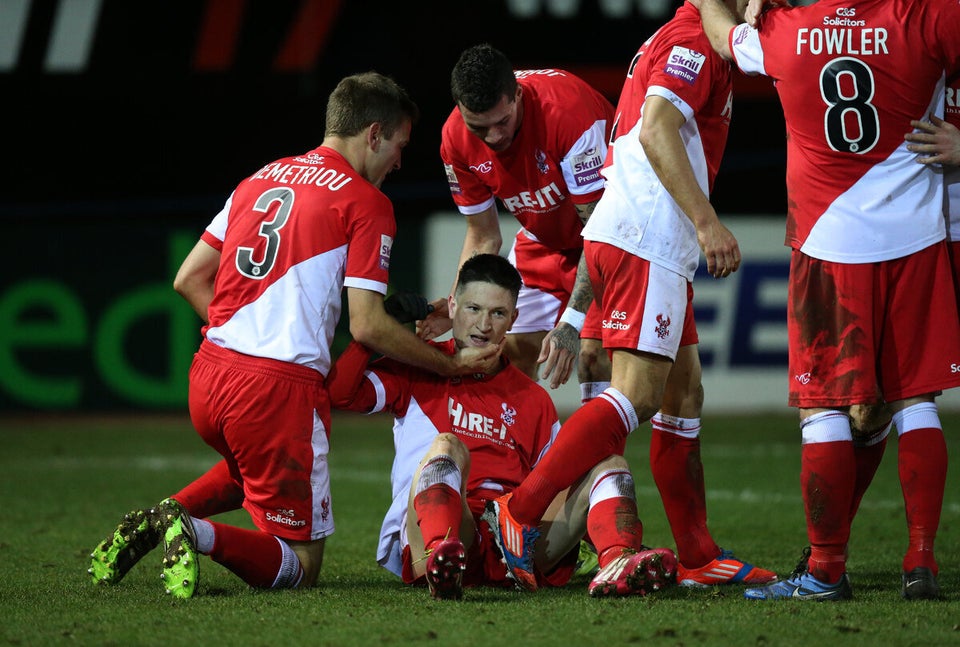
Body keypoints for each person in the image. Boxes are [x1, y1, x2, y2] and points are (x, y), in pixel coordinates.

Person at [88, 71, 501, 598]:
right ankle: (195, 532)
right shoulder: (367, 202)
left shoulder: (260, 177)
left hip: (209, 375)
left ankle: (158, 520)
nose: (399, 162)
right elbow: (368, 324)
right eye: (399, 145)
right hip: (274, 391)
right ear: (373, 134)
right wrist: (449, 365)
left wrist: (242, 337)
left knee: (248, 470)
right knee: (300, 565)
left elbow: (188, 278)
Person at [425, 43, 774, 588]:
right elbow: (483, 234)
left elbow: (598, 224)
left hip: (599, 244)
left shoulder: (568, 113)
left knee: (651, 380)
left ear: (517, 94)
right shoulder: (455, 137)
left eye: (501, 122)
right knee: (491, 351)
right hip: (546, 251)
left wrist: (573, 319)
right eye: (479, 127)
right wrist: (458, 306)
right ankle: (511, 512)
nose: (491, 137)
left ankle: (631, 543)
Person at [692, 0, 960, 601]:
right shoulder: (926, 17)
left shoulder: (787, 31)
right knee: (915, 402)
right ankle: (921, 561)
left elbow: (718, 32)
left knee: (826, 411)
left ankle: (825, 570)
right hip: (915, 241)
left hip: (827, 245)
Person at [327, 253, 678, 599]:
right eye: (473, 309)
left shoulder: (532, 399)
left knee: (610, 465)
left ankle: (619, 560)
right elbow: (341, 395)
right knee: (447, 445)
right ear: (451, 307)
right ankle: (442, 557)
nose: (483, 324)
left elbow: (559, 487)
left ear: (514, 318)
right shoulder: (419, 366)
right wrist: (372, 333)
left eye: (497, 313)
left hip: (515, 547)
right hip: (446, 531)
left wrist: (603, 526)